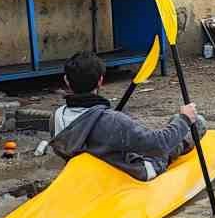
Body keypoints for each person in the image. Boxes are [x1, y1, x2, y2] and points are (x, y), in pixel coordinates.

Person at [49, 51, 201, 181]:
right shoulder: (112, 121)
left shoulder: (56, 117)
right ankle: (182, 141)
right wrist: (184, 119)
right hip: (133, 173)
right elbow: (158, 145)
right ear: (100, 81)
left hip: (89, 175)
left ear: (67, 81)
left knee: (166, 127)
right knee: (197, 123)